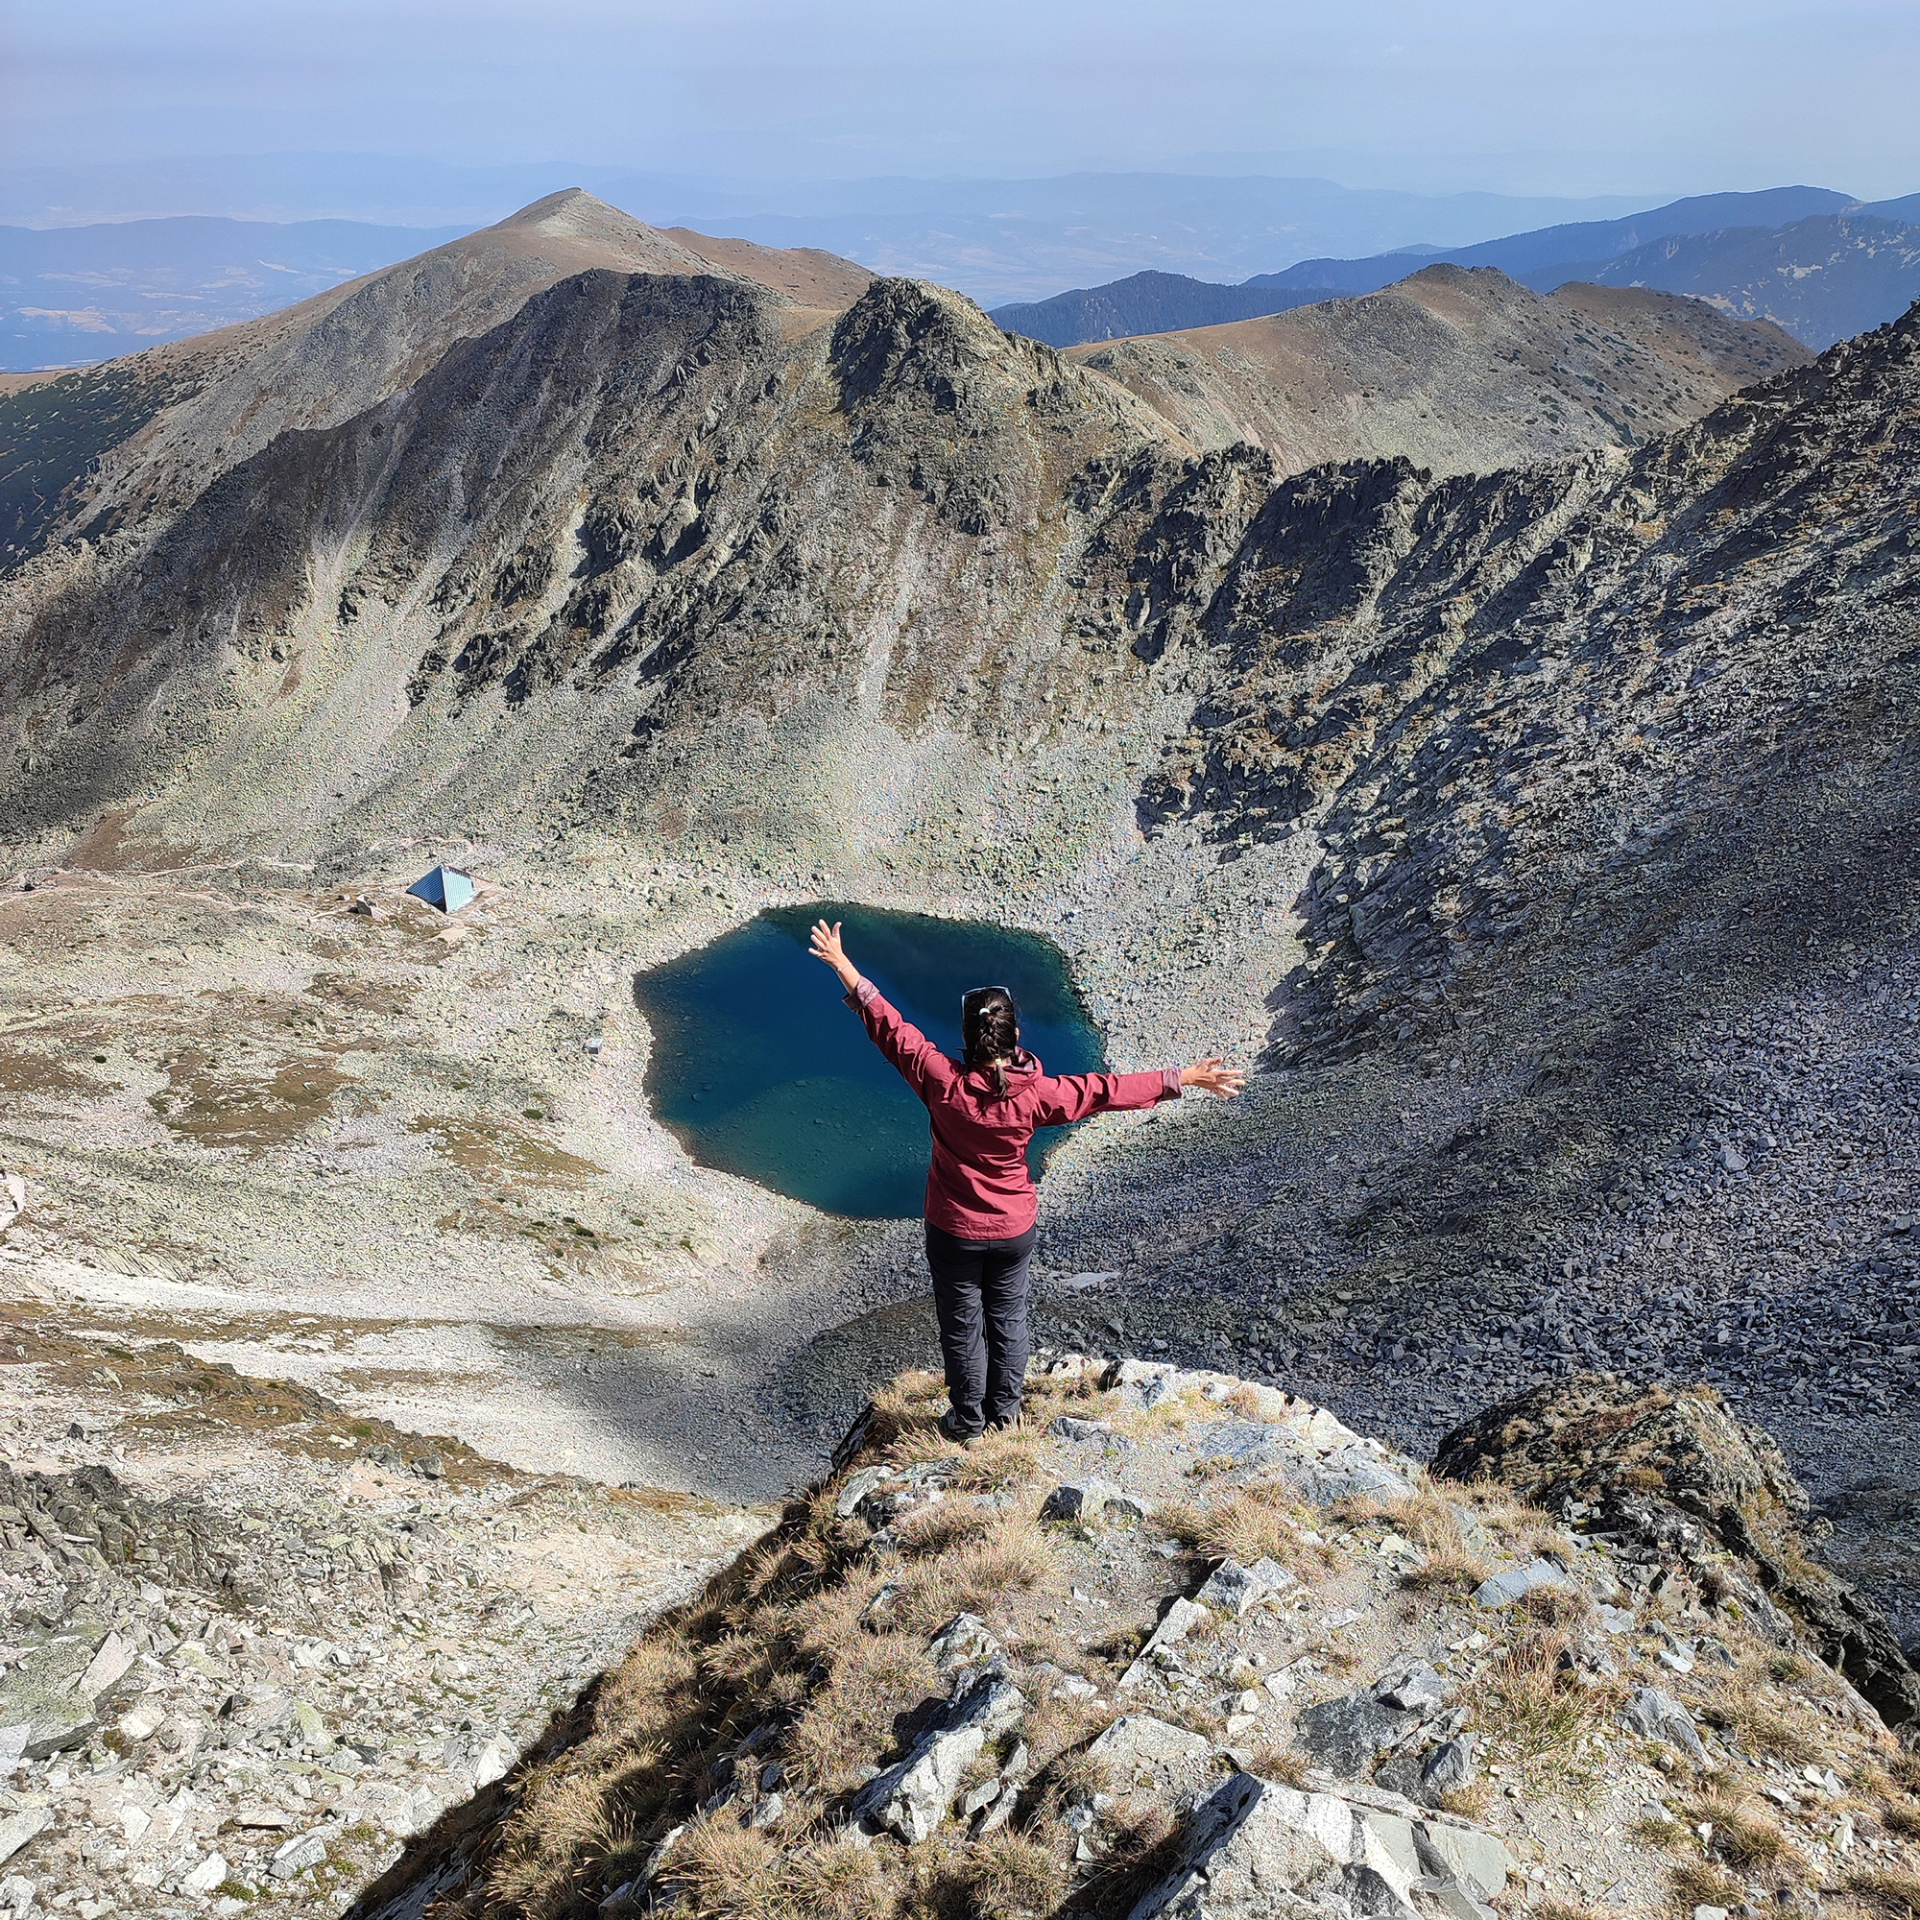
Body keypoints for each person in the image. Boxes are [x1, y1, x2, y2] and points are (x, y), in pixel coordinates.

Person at [808, 918, 1245, 1442]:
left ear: (968, 1039)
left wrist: (842, 964)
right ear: (1015, 1037)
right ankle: (1006, 1415)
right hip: (1013, 1227)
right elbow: (1105, 1090)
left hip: (953, 1228)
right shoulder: (1039, 1095)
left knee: (962, 1323)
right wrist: (1182, 1078)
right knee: (1009, 1316)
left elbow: (891, 1027)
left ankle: (968, 1423)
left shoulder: (941, 1081)